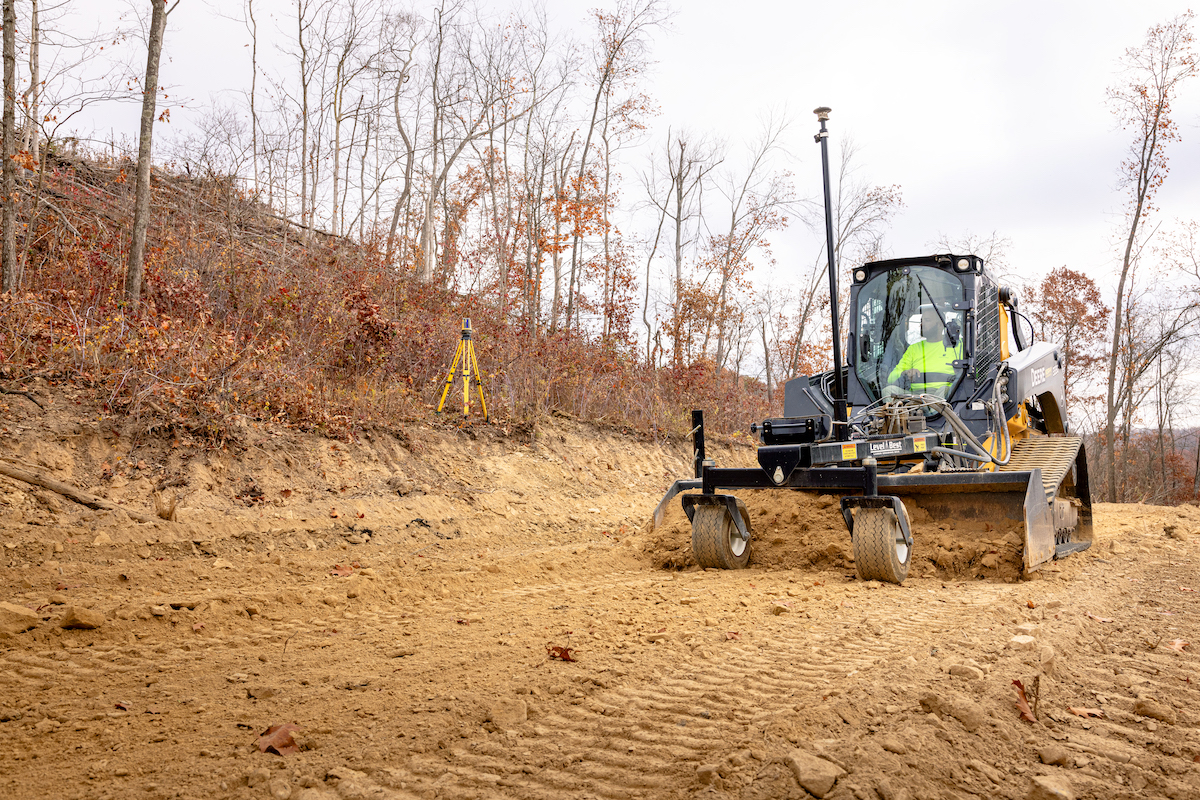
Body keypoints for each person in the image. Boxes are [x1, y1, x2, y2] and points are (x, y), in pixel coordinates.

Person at [884, 305, 962, 397]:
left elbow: (973, 372)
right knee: (888, 391)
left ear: (940, 324)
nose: (922, 324)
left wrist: (960, 372)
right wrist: (905, 372)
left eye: (927, 320)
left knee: (944, 389)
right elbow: (891, 378)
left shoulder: (957, 346)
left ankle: (935, 410)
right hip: (915, 396)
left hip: (942, 395)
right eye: (921, 321)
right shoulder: (914, 349)